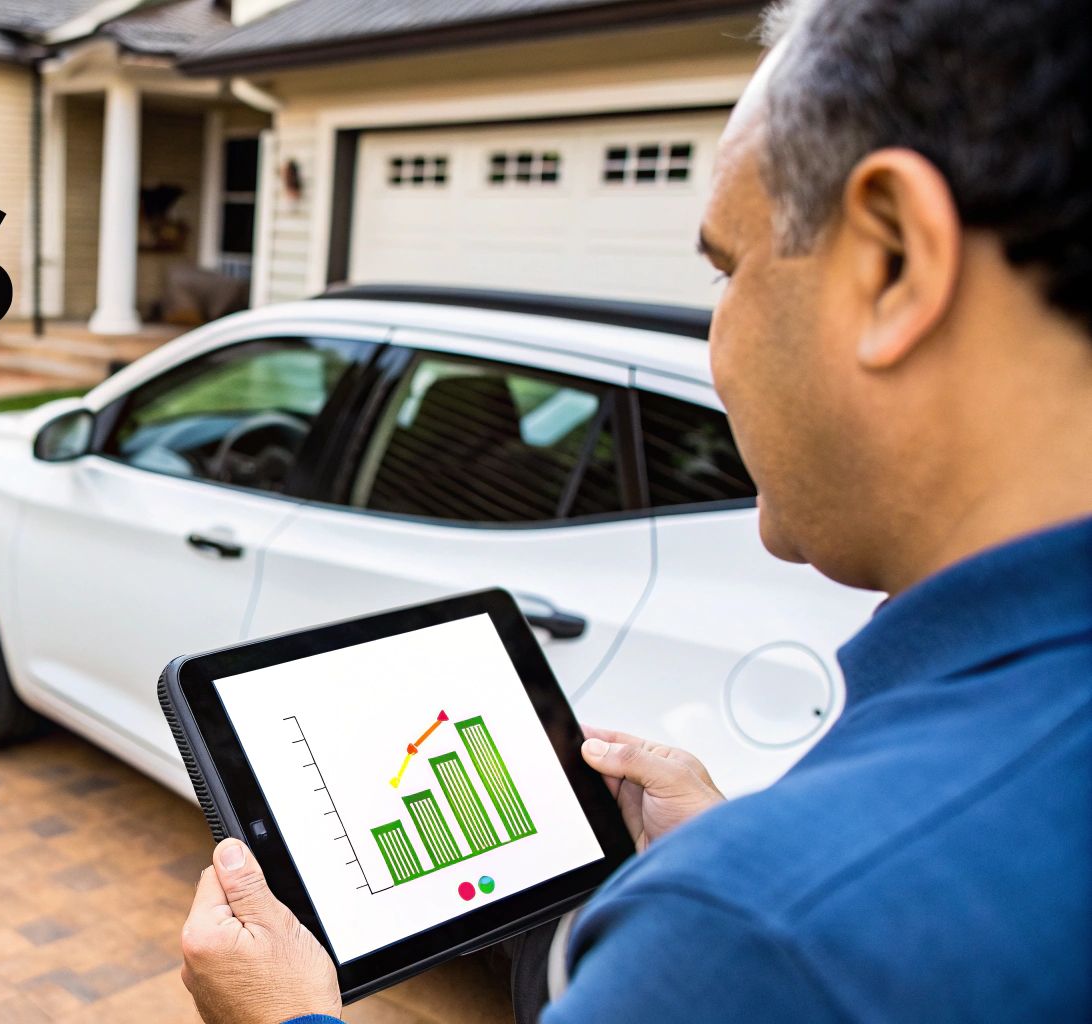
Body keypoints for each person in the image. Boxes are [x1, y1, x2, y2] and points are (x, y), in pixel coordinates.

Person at [177, 0, 1092, 1020]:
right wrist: (717, 839)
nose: (718, 334)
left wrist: (280, 1016)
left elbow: (804, 926)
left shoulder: (755, 930)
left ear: (889, 262)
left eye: (725, 268)